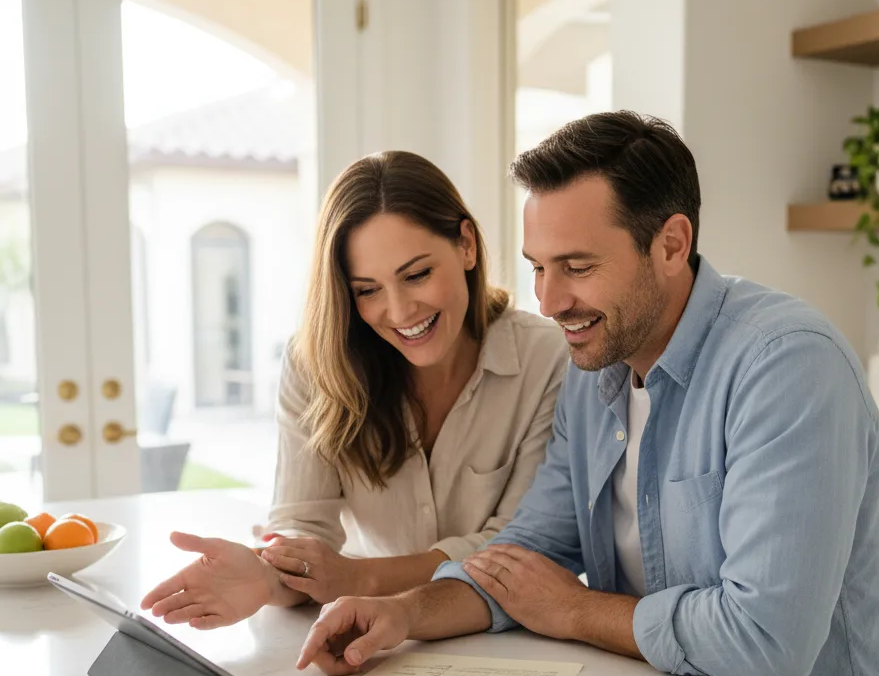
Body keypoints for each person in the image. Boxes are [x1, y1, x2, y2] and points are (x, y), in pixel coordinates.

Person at [297, 111, 879, 676]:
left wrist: (576, 610)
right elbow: (527, 555)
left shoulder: (785, 366)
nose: (549, 300)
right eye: (538, 267)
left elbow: (765, 637)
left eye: (578, 267)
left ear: (671, 244)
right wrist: (405, 614)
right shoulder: (594, 373)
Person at [141, 151, 567, 630]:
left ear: (466, 245)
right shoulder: (315, 364)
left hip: (507, 643)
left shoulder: (547, 358)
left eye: (417, 274)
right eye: (367, 290)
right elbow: (304, 526)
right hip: (363, 636)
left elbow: (517, 549)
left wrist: (356, 578)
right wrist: (265, 575)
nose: (401, 311)